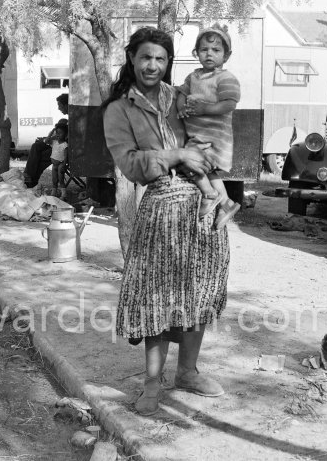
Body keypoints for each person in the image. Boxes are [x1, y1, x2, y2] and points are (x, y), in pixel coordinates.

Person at [102, 27, 230, 417]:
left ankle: (187, 372)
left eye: (160, 58)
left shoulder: (182, 98)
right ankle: (151, 384)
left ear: (169, 62)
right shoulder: (119, 110)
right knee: (156, 296)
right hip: (160, 207)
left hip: (201, 205)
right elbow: (131, 164)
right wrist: (175, 156)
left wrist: (219, 185)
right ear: (132, 59)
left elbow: (209, 134)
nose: (152, 65)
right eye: (145, 57)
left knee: (200, 289)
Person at [176, 24, 241, 230]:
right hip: (197, 136)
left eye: (216, 50)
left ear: (226, 56)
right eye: (204, 50)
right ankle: (227, 204)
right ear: (197, 53)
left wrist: (205, 109)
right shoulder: (192, 77)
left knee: (187, 162)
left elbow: (229, 103)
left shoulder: (226, 78)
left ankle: (209, 194)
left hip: (215, 138)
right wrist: (181, 108)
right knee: (209, 171)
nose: (209, 54)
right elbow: (182, 94)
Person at [23, 93, 68, 188]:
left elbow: (64, 138)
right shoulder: (66, 119)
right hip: (56, 143)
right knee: (36, 146)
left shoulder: (71, 119)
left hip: (62, 147)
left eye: (60, 105)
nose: (58, 108)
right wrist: (47, 138)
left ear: (66, 105)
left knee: (41, 156)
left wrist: (50, 139)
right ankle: (29, 177)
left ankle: (30, 180)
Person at [49, 122, 68, 199]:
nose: (58, 134)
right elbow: (47, 140)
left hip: (60, 164)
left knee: (61, 179)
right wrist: (52, 131)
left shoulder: (65, 144)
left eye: (60, 133)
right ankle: (54, 192)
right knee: (54, 179)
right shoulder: (54, 142)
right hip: (54, 165)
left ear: (65, 134)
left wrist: (64, 164)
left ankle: (64, 194)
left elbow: (66, 156)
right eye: (57, 133)